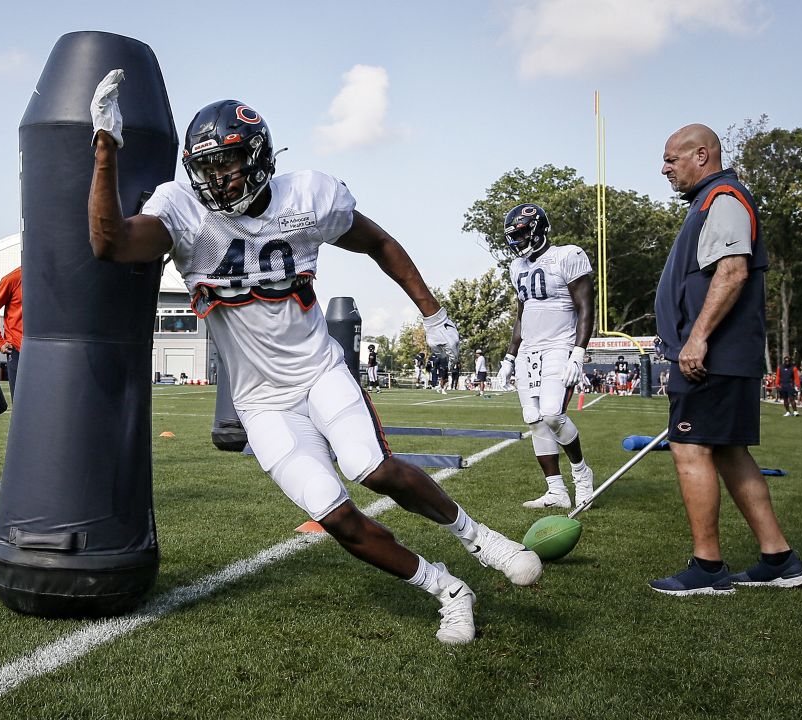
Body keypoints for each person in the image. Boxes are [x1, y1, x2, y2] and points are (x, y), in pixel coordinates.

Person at [87, 72, 541, 644]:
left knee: (373, 469)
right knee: (337, 517)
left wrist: (433, 314)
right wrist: (105, 146)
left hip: (320, 371)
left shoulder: (308, 198)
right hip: (261, 403)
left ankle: (482, 539)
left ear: (256, 158)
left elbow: (378, 241)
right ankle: (447, 588)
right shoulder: (183, 210)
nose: (218, 182)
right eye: (206, 171)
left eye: (227, 167)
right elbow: (110, 243)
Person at [651, 123, 802, 595]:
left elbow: (733, 271)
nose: (665, 168)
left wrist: (696, 340)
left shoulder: (723, 198)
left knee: (690, 448)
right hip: (721, 356)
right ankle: (779, 558)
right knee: (729, 452)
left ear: (701, 155)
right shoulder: (710, 201)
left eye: (671, 159)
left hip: (712, 357)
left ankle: (708, 568)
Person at [496, 204, 596, 510]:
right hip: (529, 350)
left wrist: (578, 352)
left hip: (560, 346)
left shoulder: (567, 256)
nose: (518, 240)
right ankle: (556, 490)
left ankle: (581, 474)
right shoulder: (517, 268)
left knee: (553, 414)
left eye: (522, 232)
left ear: (538, 228)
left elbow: (585, 308)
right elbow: (521, 316)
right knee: (534, 419)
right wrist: (509, 359)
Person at [0, 265, 23, 399]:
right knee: (21, 403)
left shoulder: (53, 276)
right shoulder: (14, 278)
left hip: (46, 350)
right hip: (18, 350)